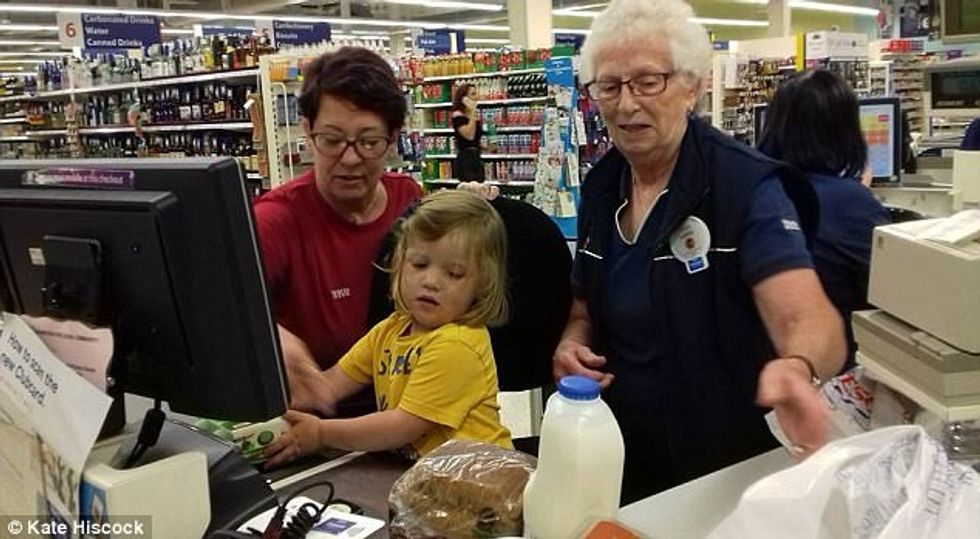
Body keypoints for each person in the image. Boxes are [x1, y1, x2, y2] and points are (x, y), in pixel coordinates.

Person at [554, 0, 846, 504]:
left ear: (692, 86)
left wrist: (797, 366)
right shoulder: (603, 188)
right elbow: (584, 306)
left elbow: (811, 318)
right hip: (622, 457)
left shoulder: (743, 186)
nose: (626, 104)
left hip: (726, 470)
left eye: (648, 81)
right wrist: (571, 343)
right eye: (610, 85)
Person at [263, 190, 513, 466]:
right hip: (424, 479)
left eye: (453, 273)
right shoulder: (390, 330)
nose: (431, 281)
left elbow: (401, 427)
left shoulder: (458, 344)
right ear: (399, 263)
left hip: (480, 480)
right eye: (419, 264)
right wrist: (289, 395)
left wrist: (321, 433)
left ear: (482, 285)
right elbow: (328, 387)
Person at [252, 47, 422, 411]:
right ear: (307, 132)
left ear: (393, 140)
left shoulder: (409, 201)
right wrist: (273, 340)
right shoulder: (276, 219)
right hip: (316, 422)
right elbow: (219, 306)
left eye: (369, 142)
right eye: (331, 140)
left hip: (407, 411)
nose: (349, 158)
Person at [758, 69, 891, 369]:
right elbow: (899, 291)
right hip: (835, 368)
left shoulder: (757, 190)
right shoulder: (849, 204)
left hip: (769, 370)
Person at [451, 83, 486, 182]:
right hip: (465, 159)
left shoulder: (472, 116)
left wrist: (486, 146)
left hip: (476, 157)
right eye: (473, 94)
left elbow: (475, 138)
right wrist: (472, 113)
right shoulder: (458, 115)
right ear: (464, 98)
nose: (476, 97)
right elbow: (469, 135)